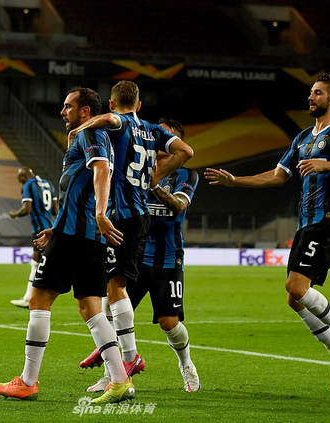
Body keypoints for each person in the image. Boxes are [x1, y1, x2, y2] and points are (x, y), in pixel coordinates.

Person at [205, 73, 330, 394]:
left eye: (318, 93)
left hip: (327, 222)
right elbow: (277, 176)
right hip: (306, 225)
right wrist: (235, 182)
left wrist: (327, 165)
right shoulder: (303, 137)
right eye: (311, 92)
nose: (311, 97)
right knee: (295, 299)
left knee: (296, 287)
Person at [0, 86, 134, 404]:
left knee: (38, 300)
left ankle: (28, 381)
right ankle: (120, 381)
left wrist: (99, 213)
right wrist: (56, 227)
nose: (62, 111)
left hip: (75, 236)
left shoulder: (90, 134)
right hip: (86, 238)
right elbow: (78, 191)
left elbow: (101, 171)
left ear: (85, 111)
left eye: (68, 106)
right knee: (91, 308)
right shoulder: (92, 137)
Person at [71, 80, 194, 382]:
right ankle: (114, 359)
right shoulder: (151, 129)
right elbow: (186, 150)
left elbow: (111, 120)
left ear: (112, 104)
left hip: (126, 217)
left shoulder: (120, 121)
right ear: (139, 105)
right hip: (139, 216)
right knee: (113, 289)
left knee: (115, 289)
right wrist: (157, 175)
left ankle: (129, 357)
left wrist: (80, 128)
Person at [8, 166, 57, 308]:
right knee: (36, 262)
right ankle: (28, 298)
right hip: (51, 228)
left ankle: (33, 298)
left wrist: (14, 214)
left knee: (43, 264)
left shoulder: (28, 185)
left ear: (23, 176)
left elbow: (27, 209)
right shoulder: (48, 184)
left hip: (39, 229)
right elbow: (55, 210)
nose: (21, 183)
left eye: (20, 180)